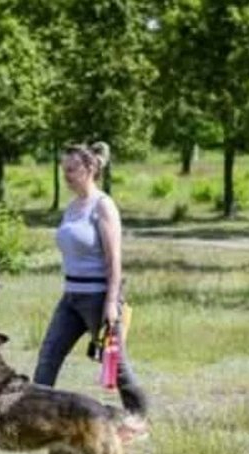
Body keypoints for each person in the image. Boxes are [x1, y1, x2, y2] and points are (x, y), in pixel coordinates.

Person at [33, 142, 148, 423]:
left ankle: (138, 419)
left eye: (72, 170)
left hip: (98, 298)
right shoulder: (72, 207)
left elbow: (114, 259)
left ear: (90, 169)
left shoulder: (103, 206)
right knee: (48, 356)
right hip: (71, 296)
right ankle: (33, 415)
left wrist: (111, 303)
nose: (66, 175)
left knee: (116, 364)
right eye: (64, 170)